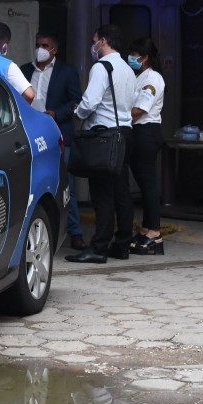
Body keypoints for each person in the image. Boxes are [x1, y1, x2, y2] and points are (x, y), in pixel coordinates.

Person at [64, 24, 136, 264]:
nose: (92, 46)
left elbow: (90, 102)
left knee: (102, 194)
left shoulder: (101, 66)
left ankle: (98, 248)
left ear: (103, 41)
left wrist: (78, 111)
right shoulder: (127, 68)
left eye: (94, 40)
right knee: (121, 191)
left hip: (104, 135)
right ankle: (123, 244)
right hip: (124, 132)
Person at [20, 31, 86, 250]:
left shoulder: (66, 72)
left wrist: (55, 113)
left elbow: (75, 101)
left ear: (54, 50)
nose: (39, 48)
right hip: (29, 136)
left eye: (44, 45)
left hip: (58, 135)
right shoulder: (24, 70)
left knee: (66, 184)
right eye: (37, 44)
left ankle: (75, 232)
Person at [126, 37, 166, 255]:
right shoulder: (139, 76)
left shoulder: (153, 78)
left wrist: (119, 117)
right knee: (143, 182)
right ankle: (146, 227)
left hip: (146, 132)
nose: (131, 58)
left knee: (148, 183)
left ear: (145, 57)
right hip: (138, 132)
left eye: (134, 54)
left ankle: (154, 233)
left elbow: (141, 108)